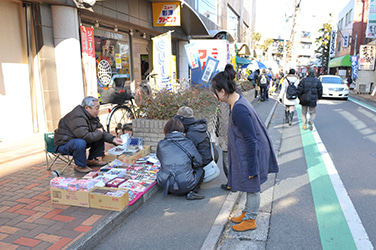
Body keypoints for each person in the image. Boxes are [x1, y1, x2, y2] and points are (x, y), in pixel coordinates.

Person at [210, 65, 279, 232]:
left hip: (253, 152)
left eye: (215, 92)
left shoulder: (239, 108)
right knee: (249, 186)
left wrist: (252, 166)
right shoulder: (238, 100)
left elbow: (250, 138)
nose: (214, 96)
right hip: (251, 150)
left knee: (253, 187)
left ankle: (251, 220)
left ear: (222, 91)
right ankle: (247, 212)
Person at [54, 96, 123, 173]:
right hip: (64, 143)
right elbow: (85, 136)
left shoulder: (92, 116)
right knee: (81, 142)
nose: (98, 111)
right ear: (87, 108)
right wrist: (99, 132)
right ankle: (80, 165)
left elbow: (100, 130)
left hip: (78, 140)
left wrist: (113, 139)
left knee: (98, 135)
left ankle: (92, 159)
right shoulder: (77, 116)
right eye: (96, 108)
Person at [156, 118, 205, 200]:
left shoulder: (161, 144)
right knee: (201, 170)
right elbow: (199, 161)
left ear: (166, 130)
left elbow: (160, 158)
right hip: (185, 184)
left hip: (164, 183)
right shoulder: (188, 143)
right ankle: (192, 192)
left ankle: (172, 188)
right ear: (182, 129)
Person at [174, 106, 219, 183]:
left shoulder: (191, 134)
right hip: (210, 160)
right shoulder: (199, 128)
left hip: (203, 166)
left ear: (183, 121)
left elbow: (190, 156)